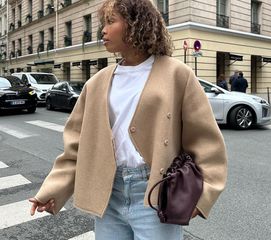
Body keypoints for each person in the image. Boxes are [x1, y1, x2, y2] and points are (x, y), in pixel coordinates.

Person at [29, 1, 227, 239]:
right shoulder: (97, 82)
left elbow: (205, 141)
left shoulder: (177, 75)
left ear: (136, 25)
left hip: (155, 193)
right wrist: (53, 190)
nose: (103, 30)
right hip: (108, 193)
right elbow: (77, 147)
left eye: (111, 22)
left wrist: (203, 196)